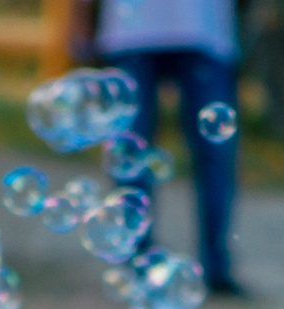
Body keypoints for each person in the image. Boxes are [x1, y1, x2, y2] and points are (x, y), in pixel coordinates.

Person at [93, 0, 244, 294]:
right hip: (132, 30)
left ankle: (216, 267)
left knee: (215, 152)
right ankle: (136, 262)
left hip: (204, 29)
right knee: (129, 152)